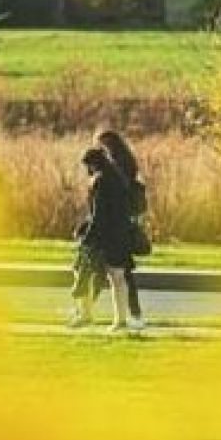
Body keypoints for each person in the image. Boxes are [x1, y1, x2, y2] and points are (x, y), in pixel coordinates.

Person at [69, 147, 133, 332]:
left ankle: (85, 314)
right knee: (118, 278)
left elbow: (98, 215)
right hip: (120, 234)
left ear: (92, 164)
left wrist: (87, 237)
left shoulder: (100, 181)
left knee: (82, 272)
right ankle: (121, 320)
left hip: (102, 237)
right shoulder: (119, 179)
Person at [94, 129, 146, 330]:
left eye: (102, 144)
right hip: (124, 223)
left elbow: (115, 196)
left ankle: (131, 314)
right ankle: (132, 314)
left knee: (118, 273)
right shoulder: (125, 162)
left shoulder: (115, 167)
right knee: (118, 273)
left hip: (117, 226)